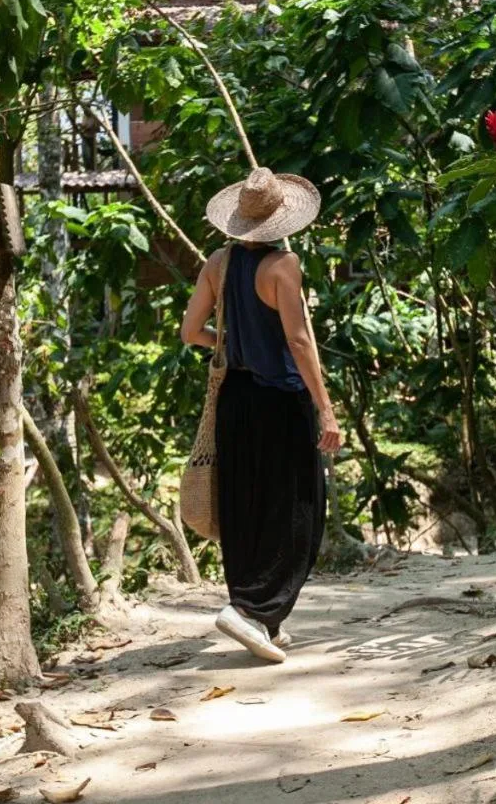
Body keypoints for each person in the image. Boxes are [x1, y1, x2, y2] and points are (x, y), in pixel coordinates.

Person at [181, 166, 342, 664]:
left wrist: (230, 343)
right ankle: (251, 608)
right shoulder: (283, 266)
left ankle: (262, 618)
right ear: (282, 219)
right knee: (297, 508)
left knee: (246, 506)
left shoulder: (218, 262)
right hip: (280, 402)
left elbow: (191, 332)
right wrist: (327, 410)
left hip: (236, 398)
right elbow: (298, 341)